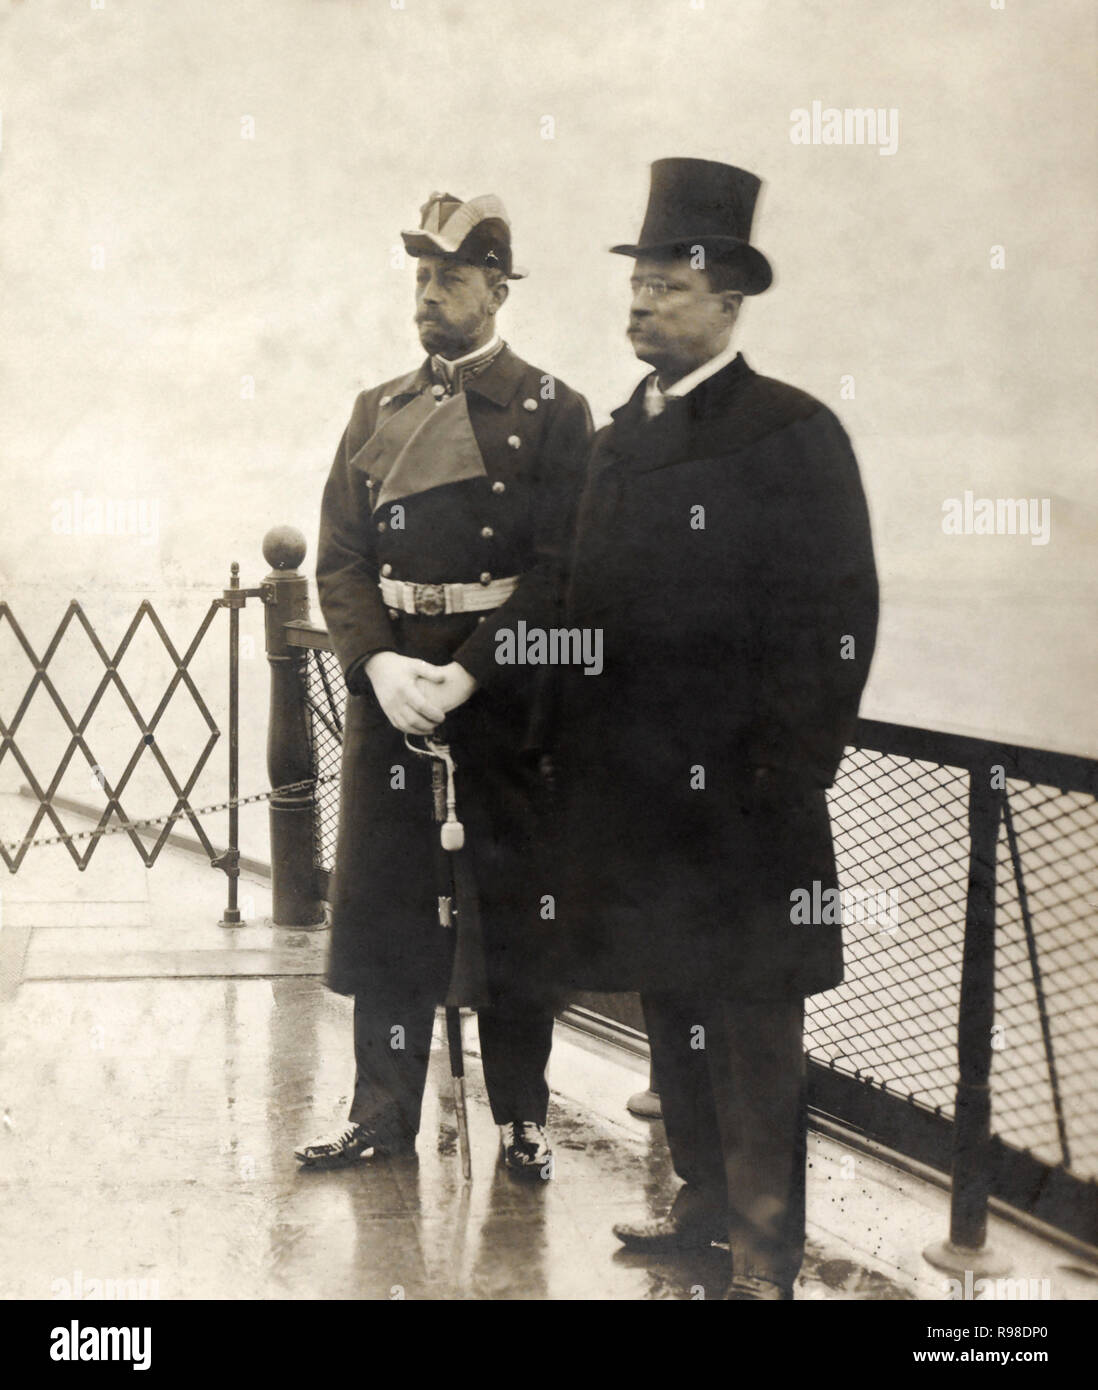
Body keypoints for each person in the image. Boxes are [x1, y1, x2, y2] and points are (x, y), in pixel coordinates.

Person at [551, 158, 879, 1296]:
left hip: (750, 808)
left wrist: (789, 769)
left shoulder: (794, 432)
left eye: (667, 285)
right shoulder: (617, 442)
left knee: (753, 1032)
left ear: (729, 302)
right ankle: (700, 1209)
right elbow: (584, 614)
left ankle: (767, 1252)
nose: (640, 303)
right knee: (671, 1006)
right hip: (638, 800)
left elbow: (840, 621)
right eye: (635, 284)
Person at [298, 191, 592, 1176]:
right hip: (391, 698)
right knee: (386, 904)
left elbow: (560, 571)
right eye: (422, 277)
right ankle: (380, 1116)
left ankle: (523, 1119)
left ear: (499, 288)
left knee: (511, 907)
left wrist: (466, 677)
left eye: (452, 277)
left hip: (500, 697)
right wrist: (378, 663)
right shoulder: (374, 410)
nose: (430, 295)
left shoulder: (556, 412)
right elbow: (338, 559)